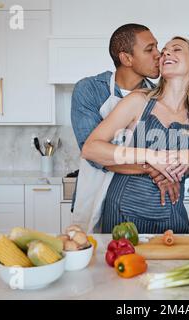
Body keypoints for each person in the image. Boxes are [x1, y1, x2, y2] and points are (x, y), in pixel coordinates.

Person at [82, 36, 189, 233]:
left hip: (172, 212)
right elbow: (91, 149)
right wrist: (152, 157)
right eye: (165, 50)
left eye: (176, 49)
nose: (166, 52)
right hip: (124, 212)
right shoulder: (139, 101)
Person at [71, 24, 182, 232]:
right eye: (150, 50)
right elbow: (94, 154)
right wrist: (155, 167)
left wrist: (166, 166)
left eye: (157, 47)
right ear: (126, 59)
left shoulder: (157, 96)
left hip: (134, 204)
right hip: (93, 194)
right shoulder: (89, 90)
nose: (159, 55)